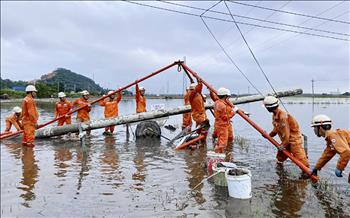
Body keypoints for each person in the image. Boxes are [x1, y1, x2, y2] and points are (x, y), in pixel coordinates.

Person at [263, 96, 309, 168]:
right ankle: (280, 173)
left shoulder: (283, 117)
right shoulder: (275, 116)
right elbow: (276, 129)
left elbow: (286, 134)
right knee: (279, 159)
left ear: (269, 108)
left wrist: (283, 146)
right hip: (285, 141)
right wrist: (269, 135)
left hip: (294, 141)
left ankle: (307, 175)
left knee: (302, 162)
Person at [310, 114, 350, 182]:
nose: (314, 130)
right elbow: (327, 155)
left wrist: (339, 168)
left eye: (314, 127)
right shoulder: (331, 138)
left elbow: (346, 152)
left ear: (320, 127)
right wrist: (317, 168)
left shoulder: (333, 136)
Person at [210, 88, 235, 154]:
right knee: (222, 143)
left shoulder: (218, 102)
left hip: (222, 124)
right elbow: (225, 117)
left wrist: (242, 112)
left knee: (229, 139)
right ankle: (217, 156)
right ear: (225, 96)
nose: (228, 98)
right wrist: (233, 113)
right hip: (222, 125)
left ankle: (228, 152)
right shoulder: (222, 105)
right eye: (227, 96)